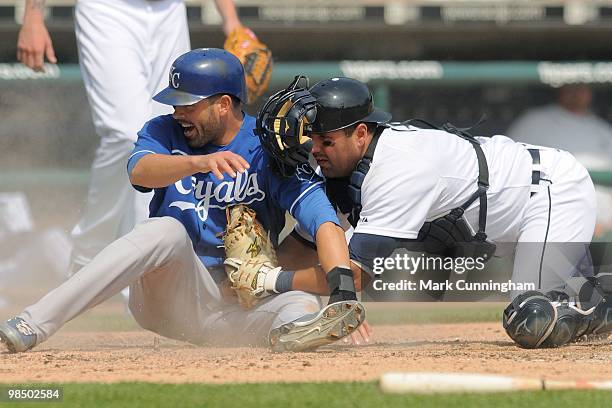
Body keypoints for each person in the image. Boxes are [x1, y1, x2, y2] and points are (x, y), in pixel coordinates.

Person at [0, 49, 368, 354]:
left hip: (236, 308)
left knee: (304, 306)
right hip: (171, 296)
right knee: (165, 230)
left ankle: (281, 341)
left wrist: (343, 295)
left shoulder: (267, 146)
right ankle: (31, 324)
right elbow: (139, 171)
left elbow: (323, 220)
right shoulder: (164, 131)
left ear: (224, 104)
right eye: (175, 104)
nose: (178, 112)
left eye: (188, 104)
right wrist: (197, 162)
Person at [257, 76, 612, 349]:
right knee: (544, 303)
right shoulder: (341, 164)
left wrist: (269, 281)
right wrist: (246, 278)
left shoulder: (400, 168)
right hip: (493, 223)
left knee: (531, 319)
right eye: (313, 140)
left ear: (361, 134)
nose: (315, 150)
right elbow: (302, 247)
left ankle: (598, 308)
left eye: (326, 141)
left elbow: (350, 277)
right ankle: (585, 291)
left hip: (549, 192)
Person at [17, 0, 243, 277]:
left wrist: (231, 20)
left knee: (168, 141)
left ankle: (143, 275)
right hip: (108, 8)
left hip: (168, 11)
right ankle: (89, 253)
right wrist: (33, 16)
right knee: (126, 135)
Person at [507, 83, 612, 236]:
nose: (577, 93)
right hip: (551, 225)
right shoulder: (534, 121)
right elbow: (509, 170)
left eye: (582, 87)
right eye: (571, 87)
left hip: (603, 230)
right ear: (560, 89)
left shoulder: (604, 130)